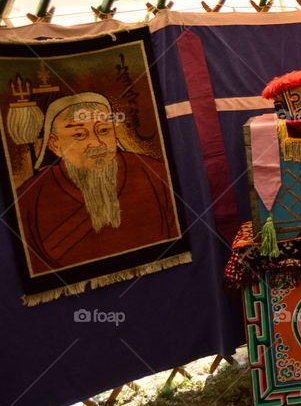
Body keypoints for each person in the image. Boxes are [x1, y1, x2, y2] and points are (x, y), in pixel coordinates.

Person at [15, 93, 178, 274]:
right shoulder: (29, 197)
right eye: (79, 134)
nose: (96, 143)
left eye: (104, 131)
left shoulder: (153, 172)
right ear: (55, 144)